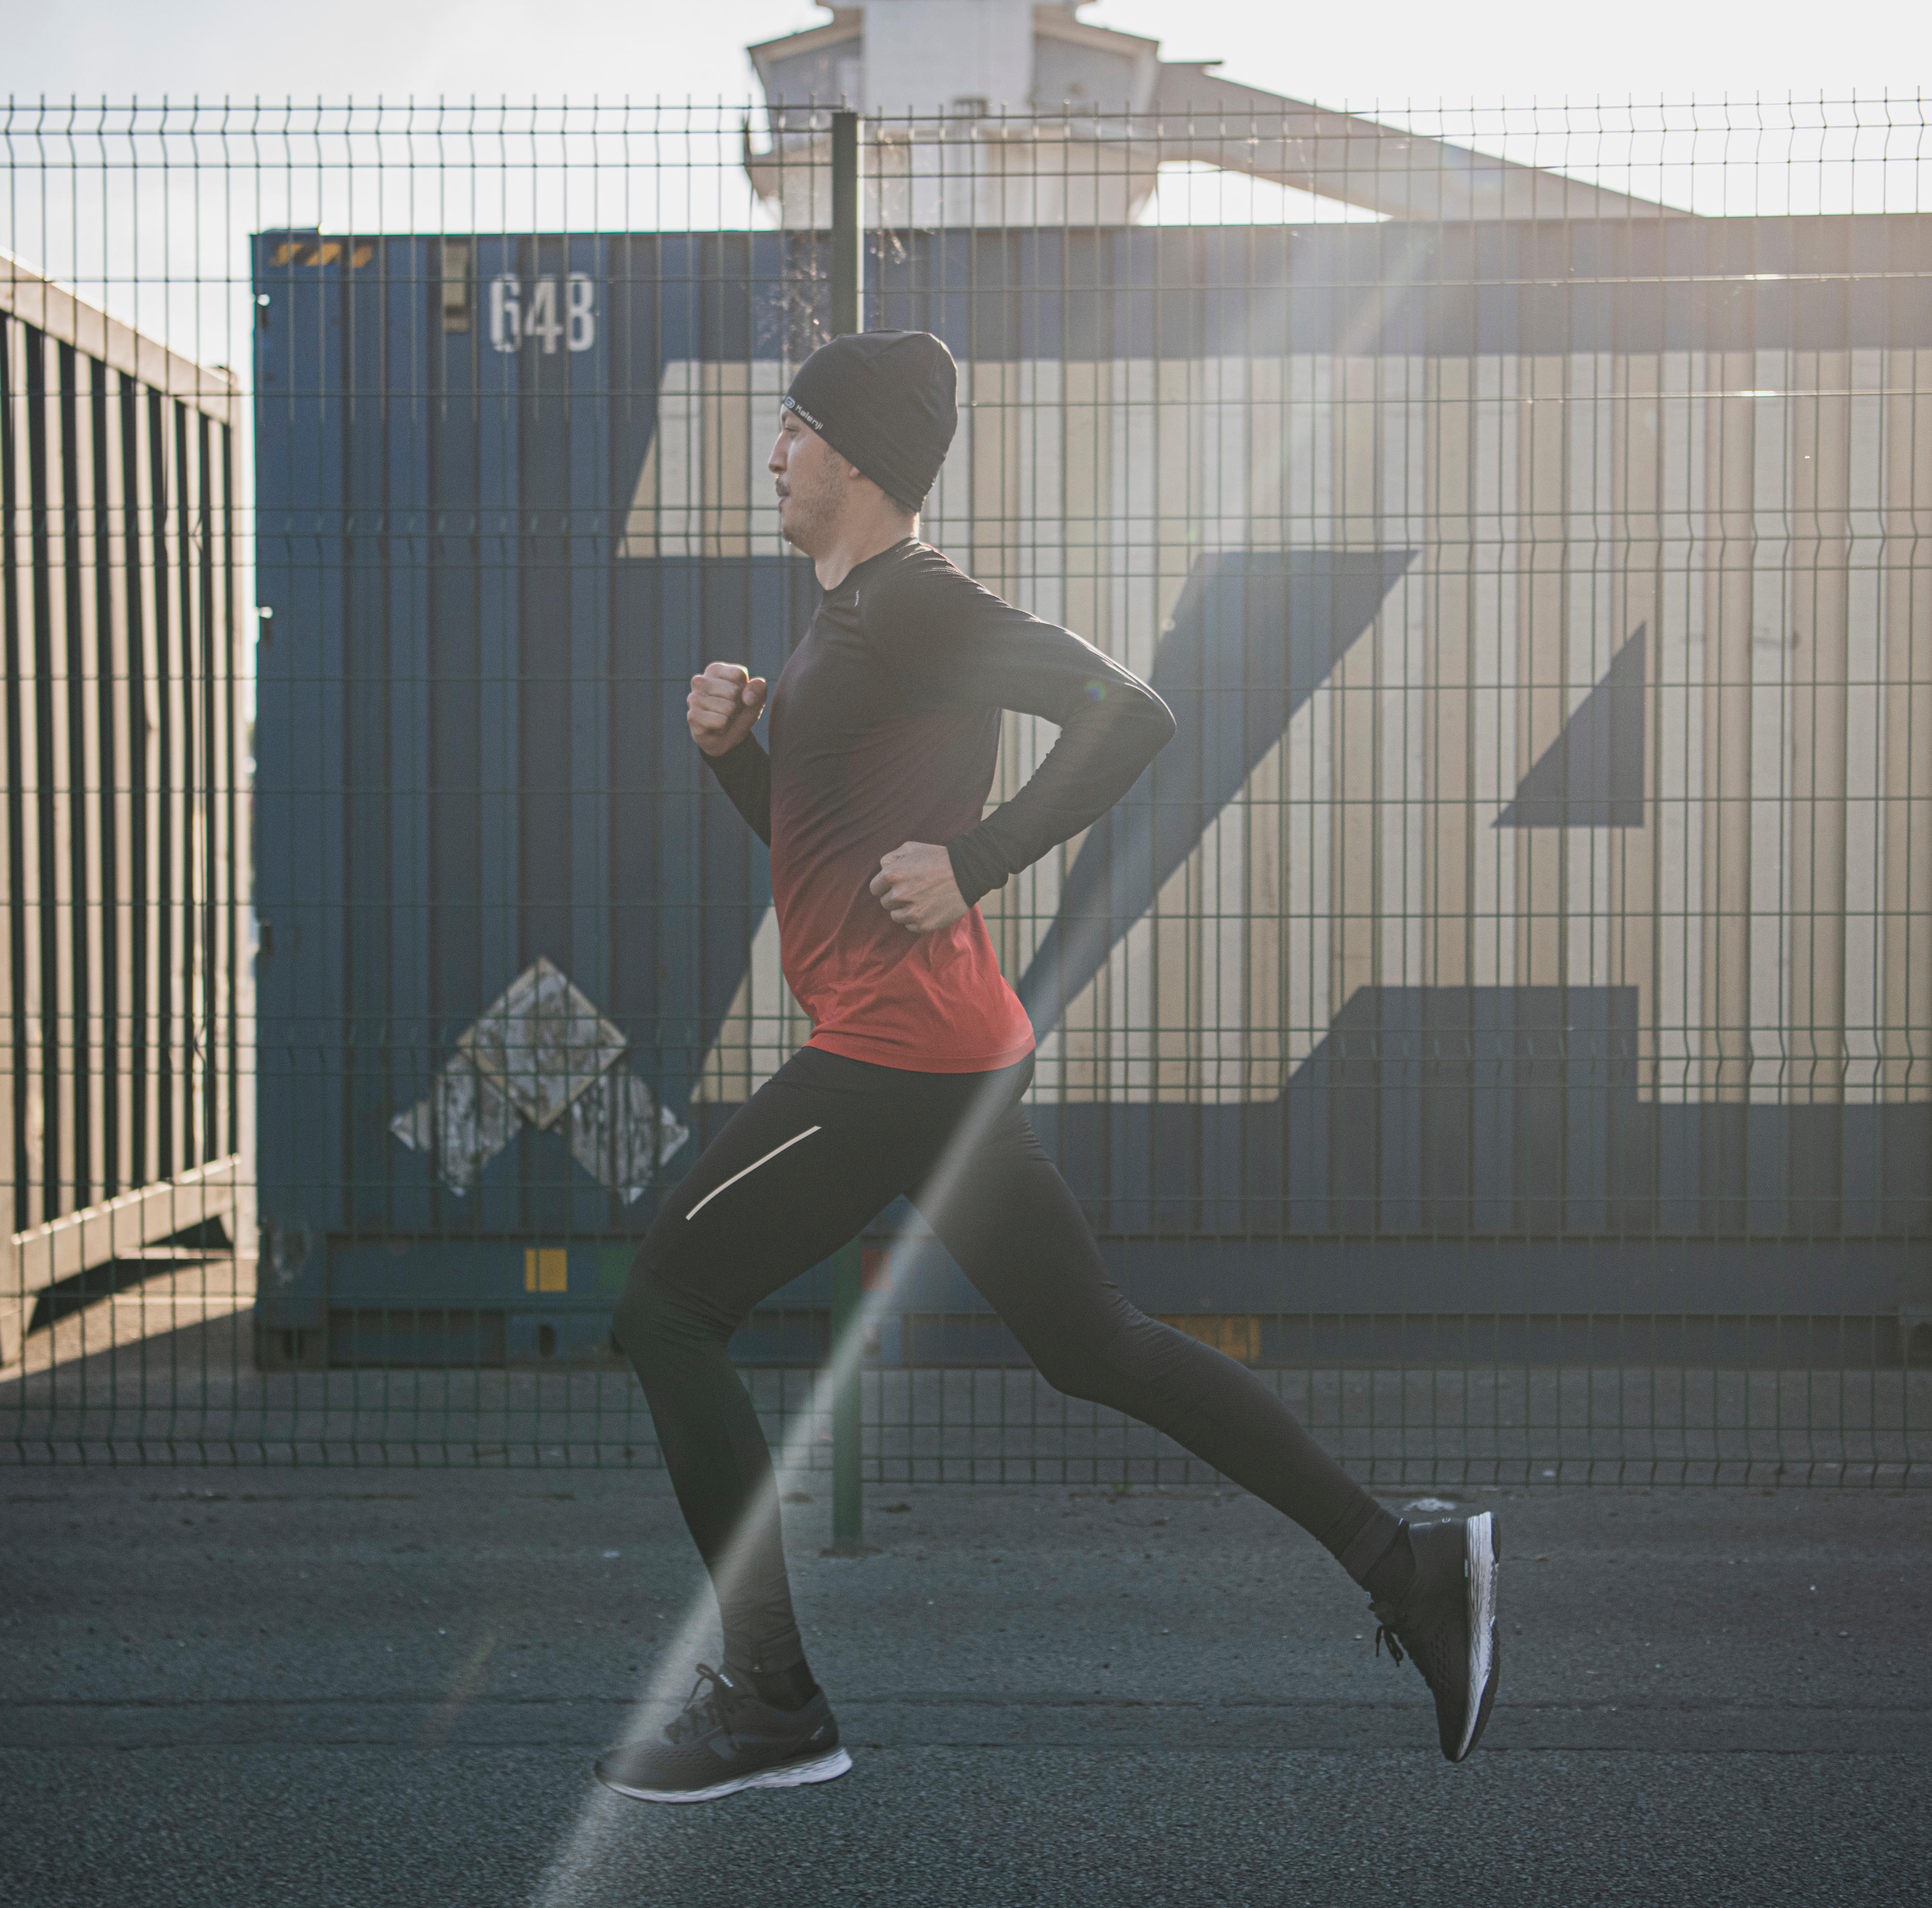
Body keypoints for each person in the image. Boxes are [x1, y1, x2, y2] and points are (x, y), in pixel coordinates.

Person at [594, 330, 1498, 1805]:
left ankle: (770, 1697)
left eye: (792, 428)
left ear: (860, 460)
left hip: (892, 1057)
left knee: (664, 1304)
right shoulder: (844, 622)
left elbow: (1128, 713)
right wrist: (736, 759)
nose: (770, 453)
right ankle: (1410, 1562)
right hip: (935, 1049)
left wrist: (981, 858)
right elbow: (830, 864)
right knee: (1093, 1345)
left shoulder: (918, 607)